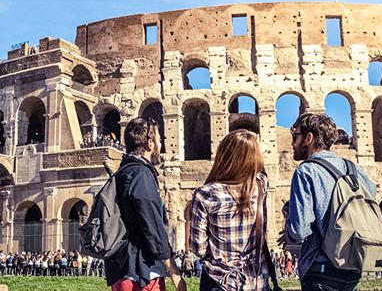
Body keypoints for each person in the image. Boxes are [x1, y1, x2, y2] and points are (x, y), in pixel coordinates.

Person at [281, 113, 377, 291]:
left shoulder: (306, 171)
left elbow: (299, 230)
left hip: (321, 269)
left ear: (309, 138)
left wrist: (289, 220)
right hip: (353, 268)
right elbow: (372, 197)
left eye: (295, 137)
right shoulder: (352, 167)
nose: (292, 144)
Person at [104, 117, 186, 291]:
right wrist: (174, 272)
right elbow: (153, 228)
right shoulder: (141, 174)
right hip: (141, 272)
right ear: (150, 143)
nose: (161, 145)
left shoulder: (122, 172)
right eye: (160, 140)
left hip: (121, 269)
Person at [190, 129, 270, 290]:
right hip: (255, 282)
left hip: (219, 281)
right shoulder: (261, 186)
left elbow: (198, 247)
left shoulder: (205, 194)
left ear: (223, 156)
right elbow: (261, 172)